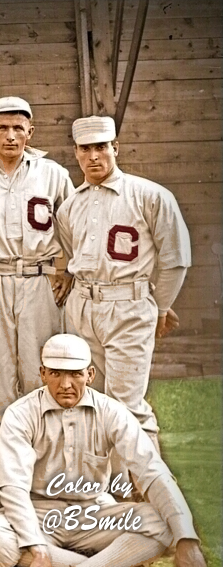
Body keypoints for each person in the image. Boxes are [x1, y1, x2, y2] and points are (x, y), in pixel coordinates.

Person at [0, 334, 208, 567]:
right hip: (38, 512)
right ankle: (106, 566)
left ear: (90, 375)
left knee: (165, 522)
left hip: (93, 511)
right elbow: (13, 488)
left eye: (75, 374)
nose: (65, 384)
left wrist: (187, 539)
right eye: (56, 373)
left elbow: (152, 470)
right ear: (42, 373)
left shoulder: (112, 412)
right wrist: (39, 550)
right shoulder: (20, 414)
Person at [57, 116, 191, 447]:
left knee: (127, 405)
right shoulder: (71, 204)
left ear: (115, 147)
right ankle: (106, 483)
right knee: (89, 400)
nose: (93, 157)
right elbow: (70, 256)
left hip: (128, 306)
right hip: (83, 307)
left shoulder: (150, 195)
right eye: (85, 149)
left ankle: (152, 485)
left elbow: (175, 259)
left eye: (101, 147)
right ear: (75, 152)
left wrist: (160, 307)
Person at [0, 96, 74, 445]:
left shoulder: (53, 173)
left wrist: (68, 268)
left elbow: (73, 226)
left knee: (39, 360)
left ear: (30, 131)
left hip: (39, 277)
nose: (11, 135)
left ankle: (46, 445)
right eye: (3, 128)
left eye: (18, 128)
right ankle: (0, 449)